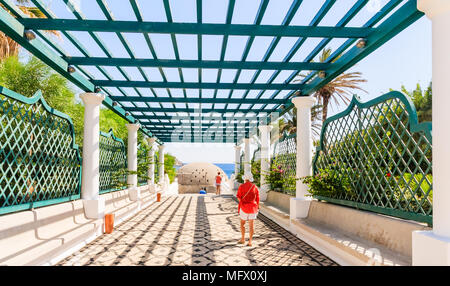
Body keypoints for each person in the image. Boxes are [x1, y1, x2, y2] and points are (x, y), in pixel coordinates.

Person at [236, 174, 259, 246]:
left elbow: (238, 197)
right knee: (251, 225)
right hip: (253, 208)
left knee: (242, 224)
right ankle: (250, 242)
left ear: (245, 179)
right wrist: (257, 206)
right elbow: (257, 198)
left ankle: (243, 239)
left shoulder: (241, 186)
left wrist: (242, 202)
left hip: (244, 207)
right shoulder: (254, 187)